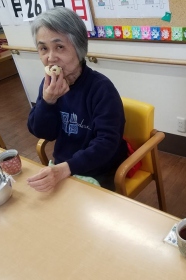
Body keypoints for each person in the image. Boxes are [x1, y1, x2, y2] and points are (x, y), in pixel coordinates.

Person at [27, 7, 127, 192]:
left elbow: (107, 142)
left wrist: (67, 168)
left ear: (79, 48)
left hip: (100, 168)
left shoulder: (101, 89)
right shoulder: (48, 85)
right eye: (43, 48)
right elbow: (42, 132)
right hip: (64, 165)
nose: (50, 58)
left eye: (59, 47)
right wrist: (47, 103)